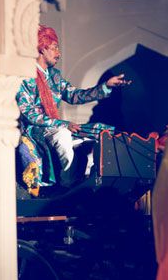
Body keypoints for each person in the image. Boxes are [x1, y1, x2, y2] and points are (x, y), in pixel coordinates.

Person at [16, 25, 130, 195]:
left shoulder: (53, 76)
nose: (58, 53)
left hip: (57, 127)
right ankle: (67, 186)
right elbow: (30, 114)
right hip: (35, 130)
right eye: (54, 48)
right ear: (42, 48)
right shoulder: (24, 76)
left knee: (102, 131)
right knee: (62, 135)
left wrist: (105, 86)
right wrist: (63, 124)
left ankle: (90, 178)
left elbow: (75, 95)